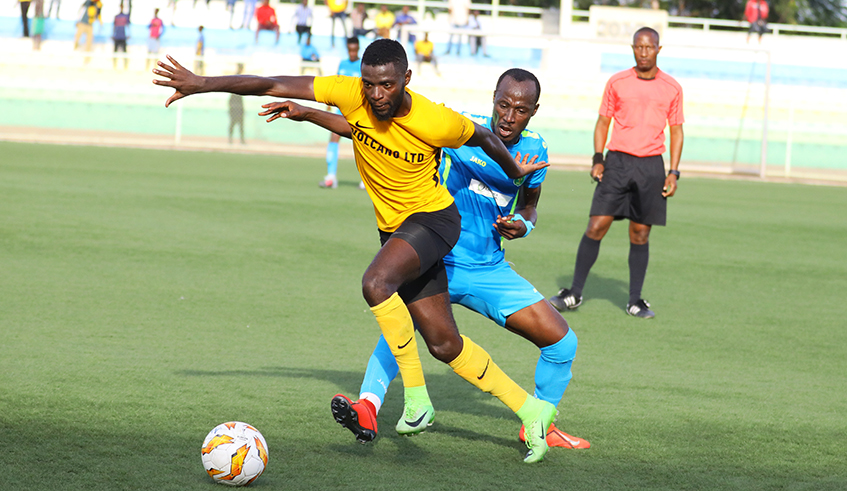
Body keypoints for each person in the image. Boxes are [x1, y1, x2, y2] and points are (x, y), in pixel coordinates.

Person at [152, 39, 554, 463]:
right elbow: (275, 85)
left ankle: (417, 401)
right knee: (444, 344)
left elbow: (487, 139)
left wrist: (516, 172)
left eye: (386, 85)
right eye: (369, 84)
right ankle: (532, 410)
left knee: (376, 282)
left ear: (405, 80)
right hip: (396, 231)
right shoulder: (353, 95)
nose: (377, 94)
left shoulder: (435, 119)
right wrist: (203, 84)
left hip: (434, 221)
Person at [277, 68, 591, 450]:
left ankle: (540, 424)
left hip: (491, 268)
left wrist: (523, 225)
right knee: (397, 322)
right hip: (439, 256)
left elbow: (530, 206)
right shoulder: (461, 130)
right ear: (493, 98)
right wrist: (309, 113)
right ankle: (368, 407)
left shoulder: (536, 150)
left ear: (533, 111)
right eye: (504, 105)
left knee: (563, 343)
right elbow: (371, 132)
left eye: (520, 110)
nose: (509, 116)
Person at [549, 27, 684, 319]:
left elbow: (676, 131)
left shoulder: (672, 87)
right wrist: (598, 159)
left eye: (649, 47)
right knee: (596, 225)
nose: (644, 52)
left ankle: (635, 301)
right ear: (633, 48)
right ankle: (574, 293)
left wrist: (673, 172)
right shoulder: (617, 82)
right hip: (618, 163)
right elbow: (602, 122)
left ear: (658, 49)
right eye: (639, 47)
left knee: (640, 233)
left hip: (651, 166)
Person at [320, 37, 361, 189]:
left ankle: (367, 180)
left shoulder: (363, 65)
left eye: (354, 50)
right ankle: (331, 177)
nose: (352, 53)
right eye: (350, 50)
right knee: (333, 137)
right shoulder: (343, 64)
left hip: (358, 111)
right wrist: (329, 103)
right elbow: (337, 85)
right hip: (341, 110)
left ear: (358, 49)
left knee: (363, 143)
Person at [228, 64, 246, 145]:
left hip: (239, 108)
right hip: (235, 109)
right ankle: (230, 140)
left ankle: (241, 140)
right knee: (233, 124)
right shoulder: (234, 92)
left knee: (240, 125)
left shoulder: (239, 93)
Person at [112, 3, 131, 69]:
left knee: (124, 53)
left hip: (123, 37)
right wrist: (113, 34)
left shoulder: (125, 17)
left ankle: (125, 66)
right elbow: (114, 26)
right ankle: (114, 65)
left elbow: (127, 26)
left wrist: (129, 34)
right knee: (115, 52)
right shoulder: (117, 17)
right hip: (117, 36)